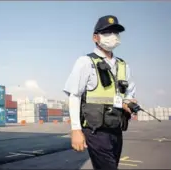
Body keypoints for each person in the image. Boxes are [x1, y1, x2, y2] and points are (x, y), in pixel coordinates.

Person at [63, 15, 137, 170]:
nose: (113, 37)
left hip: (116, 128)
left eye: (115, 32)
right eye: (107, 32)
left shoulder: (123, 65)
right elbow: (74, 96)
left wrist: (129, 102)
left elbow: (129, 94)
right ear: (95, 37)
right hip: (95, 130)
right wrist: (76, 130)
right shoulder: (85, 62)